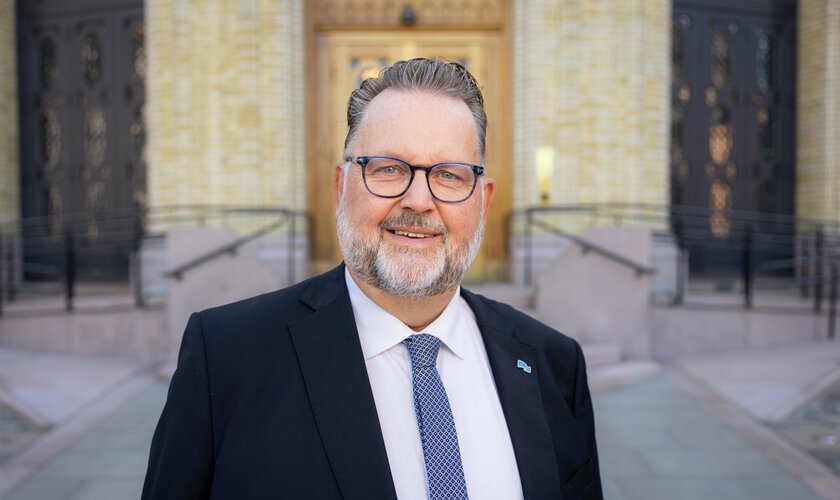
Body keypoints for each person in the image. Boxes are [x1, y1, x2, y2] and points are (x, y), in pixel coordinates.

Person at [142, 58, 602, 500]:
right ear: (341, 187)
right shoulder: (226, 357)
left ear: (483, 199)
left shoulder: (554, 365)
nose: (419, 200)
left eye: (448, 174)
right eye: (388, 168)